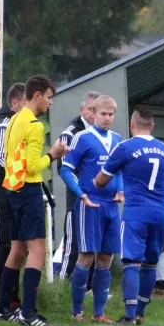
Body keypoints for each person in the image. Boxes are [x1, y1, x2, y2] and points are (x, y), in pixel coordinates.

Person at [0, 75, 69, 326]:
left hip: (12, 189)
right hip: (28, 190)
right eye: (48, 98)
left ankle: (3, 308)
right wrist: (54, 154)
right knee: (38, 250)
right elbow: (34, 164)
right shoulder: (35, 125)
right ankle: (28, 312)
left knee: (17, 249)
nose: (50, 103)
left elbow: (11, 159)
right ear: (37, 96)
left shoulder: (13, 119)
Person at [94, 107, 164, 326]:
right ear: (153, 126)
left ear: (132, 124)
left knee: (131, 262)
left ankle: (129, 315)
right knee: (150, 264)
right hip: (161, 213)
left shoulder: (125, 147)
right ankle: (140, 313)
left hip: (136, 212)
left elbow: (101, 180)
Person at [60, 95, 123, 323]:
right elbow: (65, 170)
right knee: (86, 256)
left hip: (111, 207)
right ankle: (77, 311)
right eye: (103, 114)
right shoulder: (82, 138)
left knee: (106, 258)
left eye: (111, 114)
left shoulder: (117, 139)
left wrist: (120, 190)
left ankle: (99, 313)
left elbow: (119, 170)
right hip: (90, 204)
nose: (107, 118)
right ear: (93, 114)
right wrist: (81, 194)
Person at [57, 91, 100, 282]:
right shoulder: (71, 133)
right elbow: (63, 168)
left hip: (98, 199)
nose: (94, 114)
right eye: (91, 109)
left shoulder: (102, 133)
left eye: (98, 110)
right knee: (73, 245)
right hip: (77, 200)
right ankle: (63, 283)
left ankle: (89, 285)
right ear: (81, 109)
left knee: (93, 244)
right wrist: (81, 190)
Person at [0, 83, 26, 303]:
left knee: (17, 245)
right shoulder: (4, 126)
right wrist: (22, 178)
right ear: (14, 104)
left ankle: (10, 293)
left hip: (16, 193)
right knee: (6, 245)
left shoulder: (16, 123)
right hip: (7, 195)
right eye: (25, 103)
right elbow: (1, 159)